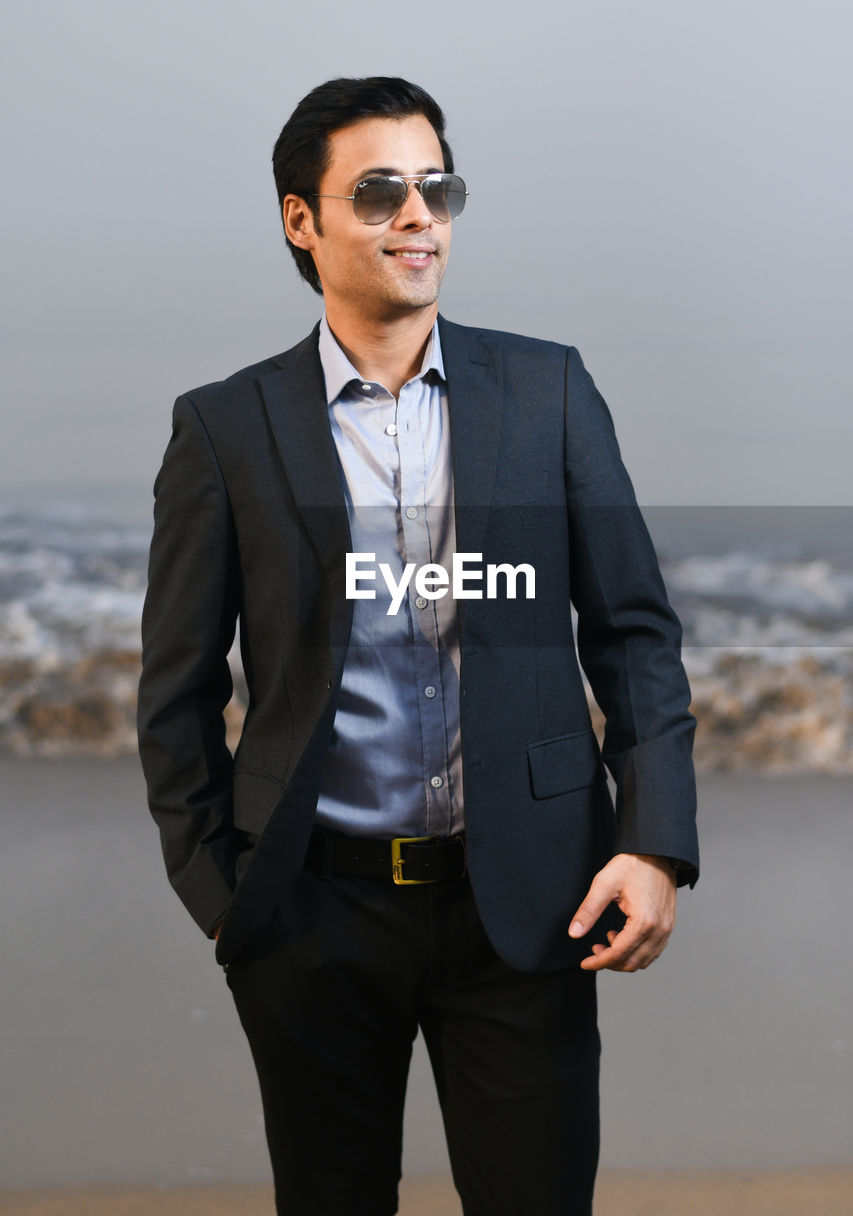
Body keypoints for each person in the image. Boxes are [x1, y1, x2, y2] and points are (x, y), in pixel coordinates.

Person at [138, 75, 698, 1216]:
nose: (417, 215)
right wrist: (220, 894)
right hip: (309, 912)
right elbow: (176, 689)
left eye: (434, 186)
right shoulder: (225, 427)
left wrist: (654, 841)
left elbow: (634, 629)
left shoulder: (546, 390)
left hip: (533, 902)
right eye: (380, 190)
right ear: (303, 220)